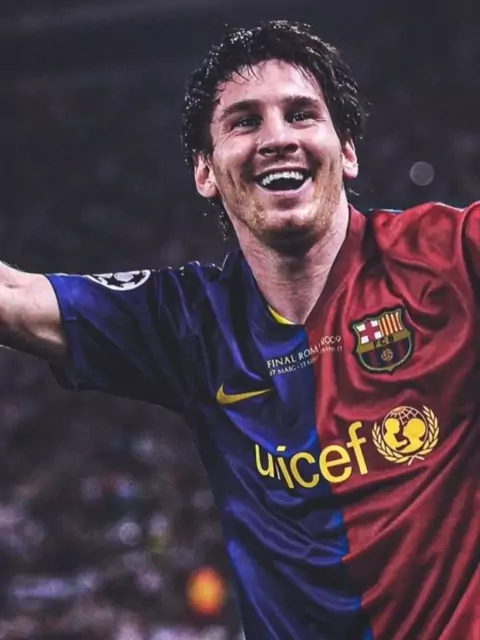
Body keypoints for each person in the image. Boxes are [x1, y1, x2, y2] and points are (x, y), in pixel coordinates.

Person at [1, 19, 477, 640]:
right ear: (205, 171)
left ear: (348, 151)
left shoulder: (450, 258)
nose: (277, 137)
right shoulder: (189, 321)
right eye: (245, 121)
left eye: (301, 114)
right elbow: (14, 297)